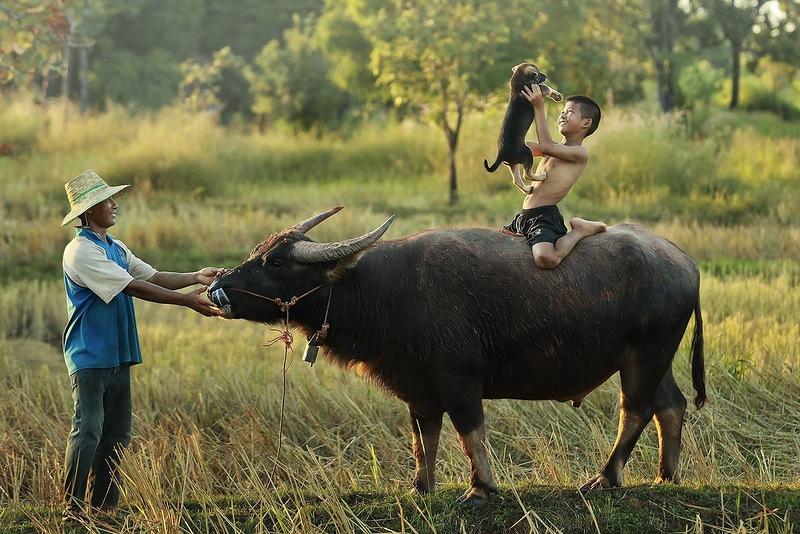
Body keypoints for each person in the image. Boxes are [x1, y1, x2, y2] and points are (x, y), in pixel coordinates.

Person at [59, 169, 222, 521]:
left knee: (117, 433)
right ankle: (71, 509)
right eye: (106, 201)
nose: (115, 205)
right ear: (89, 212)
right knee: (88, 428)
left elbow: (153, 276)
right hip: (90, 354)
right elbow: (133, 286)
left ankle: (102, 508)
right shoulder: (80, 252)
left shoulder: (115, 248)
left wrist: (196, 277)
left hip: (119, 352)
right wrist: (187, 301)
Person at [501, 85, 607, 268]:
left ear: (586, 123)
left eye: (570, 112)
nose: (563, 115)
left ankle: (580, 230)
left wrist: (539, 107)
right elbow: (517, 149)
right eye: (563, 111)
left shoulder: (578, 153)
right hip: (524, 216)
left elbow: (547, 146)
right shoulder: (551, 149)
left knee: (546, 258)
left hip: (544, 216)